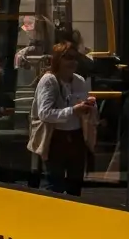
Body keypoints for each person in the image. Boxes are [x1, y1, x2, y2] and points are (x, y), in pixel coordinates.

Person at [28, 42, 97, 196]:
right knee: (54, 186)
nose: (72, 62)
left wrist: (90, 106)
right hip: (55, 139)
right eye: (68, 58)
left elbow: (85, 108)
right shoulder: (49, 81)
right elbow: (44, 113)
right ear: (58, 60)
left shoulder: (79, 81)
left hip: (77, 137)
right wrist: (72, 111)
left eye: (75, 58)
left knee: (75, 186)